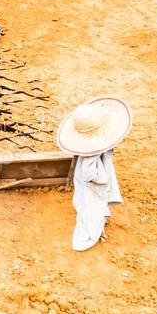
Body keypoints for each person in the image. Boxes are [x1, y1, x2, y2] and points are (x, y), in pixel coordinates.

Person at [55, 96, 132, 251]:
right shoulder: (91, 155)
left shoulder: (92, 149)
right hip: (92, 186)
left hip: (89, 184)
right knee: (92, 210)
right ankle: (93, 234)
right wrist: (103, 181)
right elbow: (89, 174)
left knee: (88, 205)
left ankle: (99, 224)